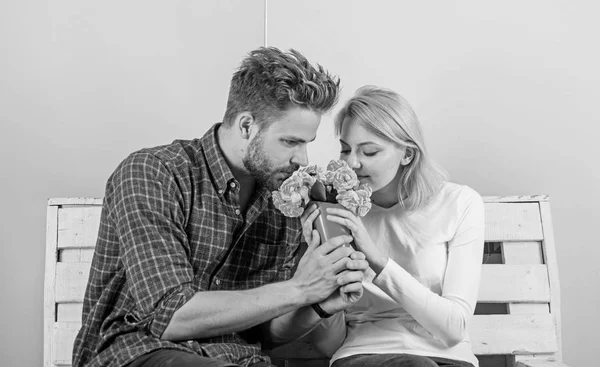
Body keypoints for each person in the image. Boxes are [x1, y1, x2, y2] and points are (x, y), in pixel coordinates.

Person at [72, 47, 370, 367]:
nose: (303, 160)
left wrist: (319, 303)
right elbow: (170, 317)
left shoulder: (282, 200)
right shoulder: (154, 173)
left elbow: (265, 332)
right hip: (140, 352)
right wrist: (299, 288)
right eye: (290, 142)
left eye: (306, 143)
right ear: (246, 126)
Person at [302, 86, 485, 367]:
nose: (352, 163)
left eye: (370, 152)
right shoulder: (334, 211)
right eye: (346, 149)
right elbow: (329, 344)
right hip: (362, 356)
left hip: (449, 358)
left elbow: (453, 329)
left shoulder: (459, 203)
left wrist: (375, 258)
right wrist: (320, 273)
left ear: (407, 155)